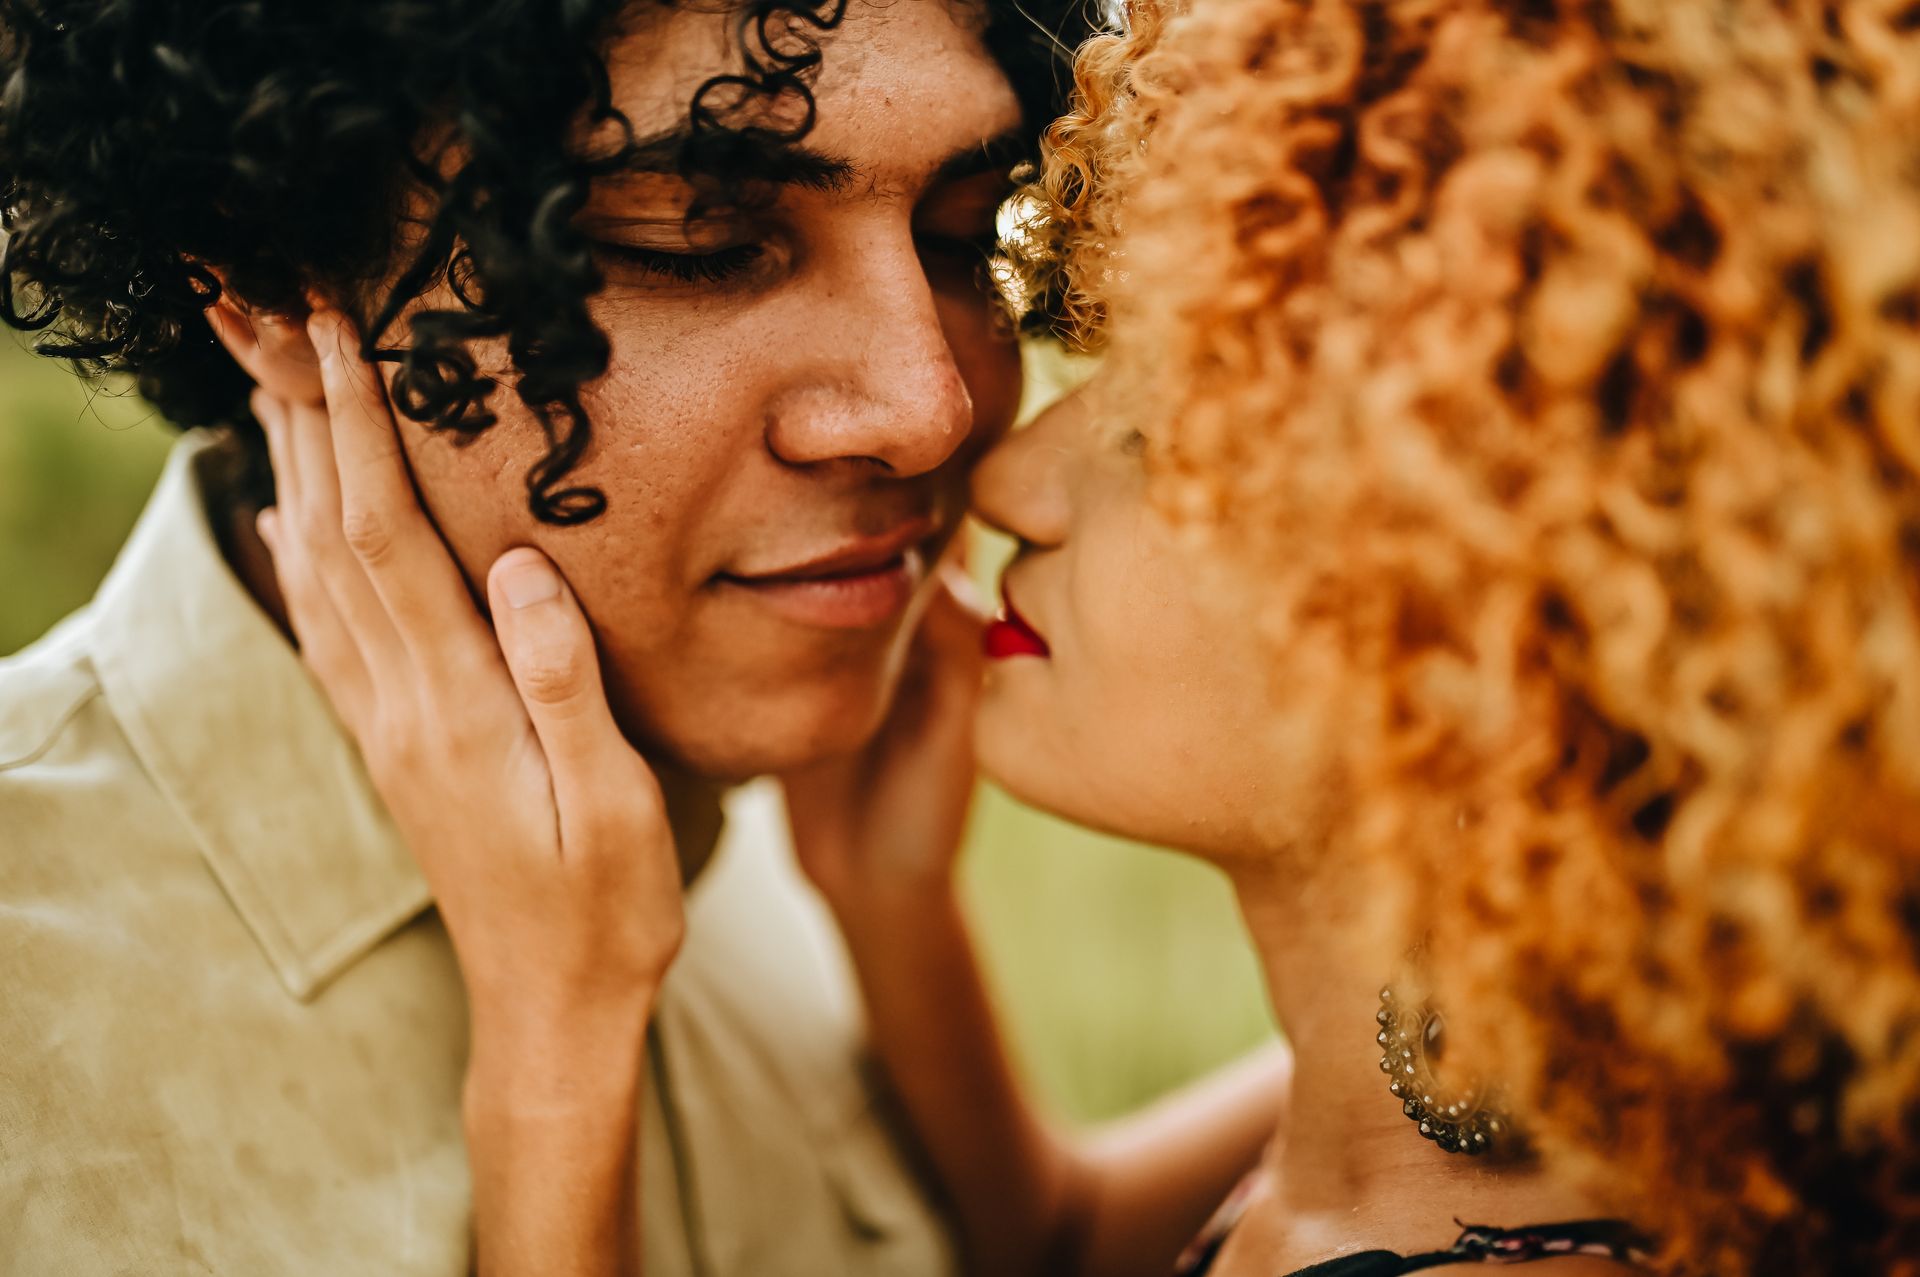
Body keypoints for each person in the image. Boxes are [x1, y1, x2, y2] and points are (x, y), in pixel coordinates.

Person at [249, 0, 1920, 1274]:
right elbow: (1065, 1244)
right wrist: (897, 913)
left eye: (1174, 432)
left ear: (1492, 600)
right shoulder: (1592, 1087)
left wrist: (553, 1041)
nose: (1004, 466)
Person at [0, 2, 1254, 1274]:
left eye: (963, 233)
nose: (928, 406)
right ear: (270, 286)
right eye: (700, 242)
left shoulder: (760, 803)